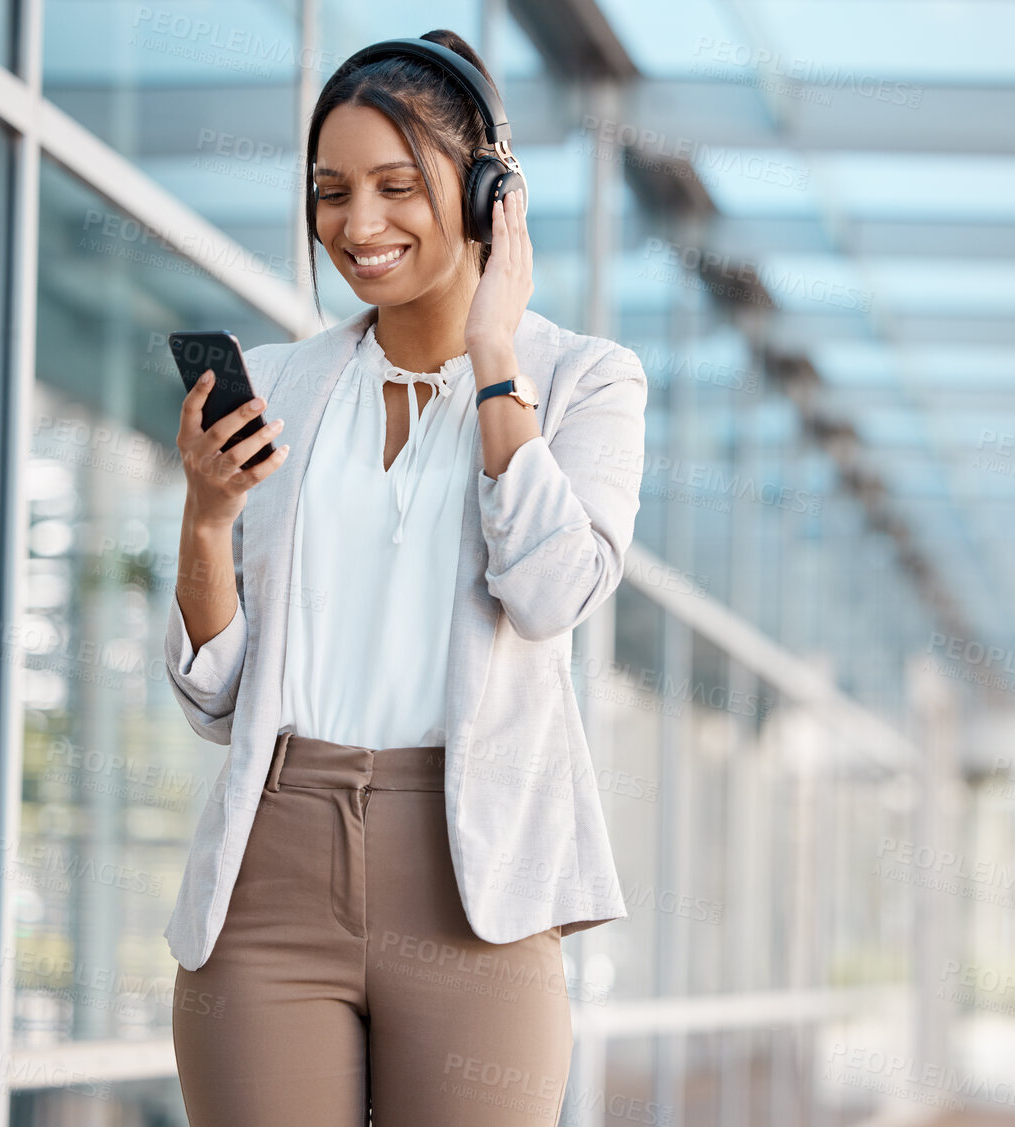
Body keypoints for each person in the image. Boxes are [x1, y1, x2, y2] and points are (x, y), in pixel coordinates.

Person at [159, 28, 646, 1127]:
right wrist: (207, 515)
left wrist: (493, 353)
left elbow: (552, 590)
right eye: (331, 191)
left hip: (475, 882)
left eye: (395, 186)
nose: (357, 225)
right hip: (269, 863)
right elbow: (211, 697)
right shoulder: (280, 383)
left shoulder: (585, 381)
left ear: (487, 199)